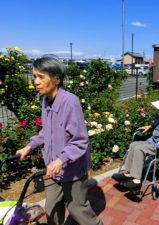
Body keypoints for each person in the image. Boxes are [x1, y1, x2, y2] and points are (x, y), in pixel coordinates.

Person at [16, 56, 103, 225]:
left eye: (41, 77)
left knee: (78, 209)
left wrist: (60, 160)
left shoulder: (70, 102)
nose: (36, 81)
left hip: (73, 169)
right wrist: (29, 145)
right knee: (52, 207)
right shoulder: (45, 100)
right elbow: (46, 133)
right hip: (54, 169)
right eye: (34, 76)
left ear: (57, 79)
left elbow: (79, 141)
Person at [112, 95, 159, 189]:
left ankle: (136, 180)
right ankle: (128, 173)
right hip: (152, 141)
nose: (156, 108)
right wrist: (150, 126)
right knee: (133, 145)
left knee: (139, 148)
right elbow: (157, 125)